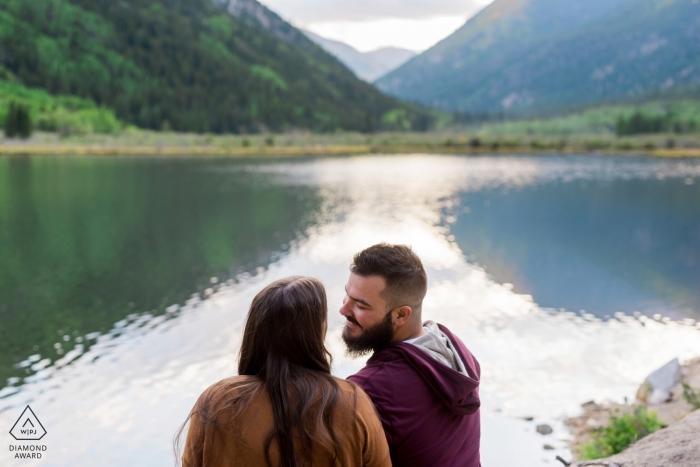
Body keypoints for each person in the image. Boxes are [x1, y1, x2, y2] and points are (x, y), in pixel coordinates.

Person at [177, 276, 391, 467]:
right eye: (323, 318)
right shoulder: (351, 402)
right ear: (315, 333)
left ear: (256, 331)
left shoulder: (219, 401)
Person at [341, 244, 481, 467]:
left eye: (360, 305)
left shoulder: (369, 390)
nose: (344, 310)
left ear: (400, 315)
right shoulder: (457, 353)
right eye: (347, 296)